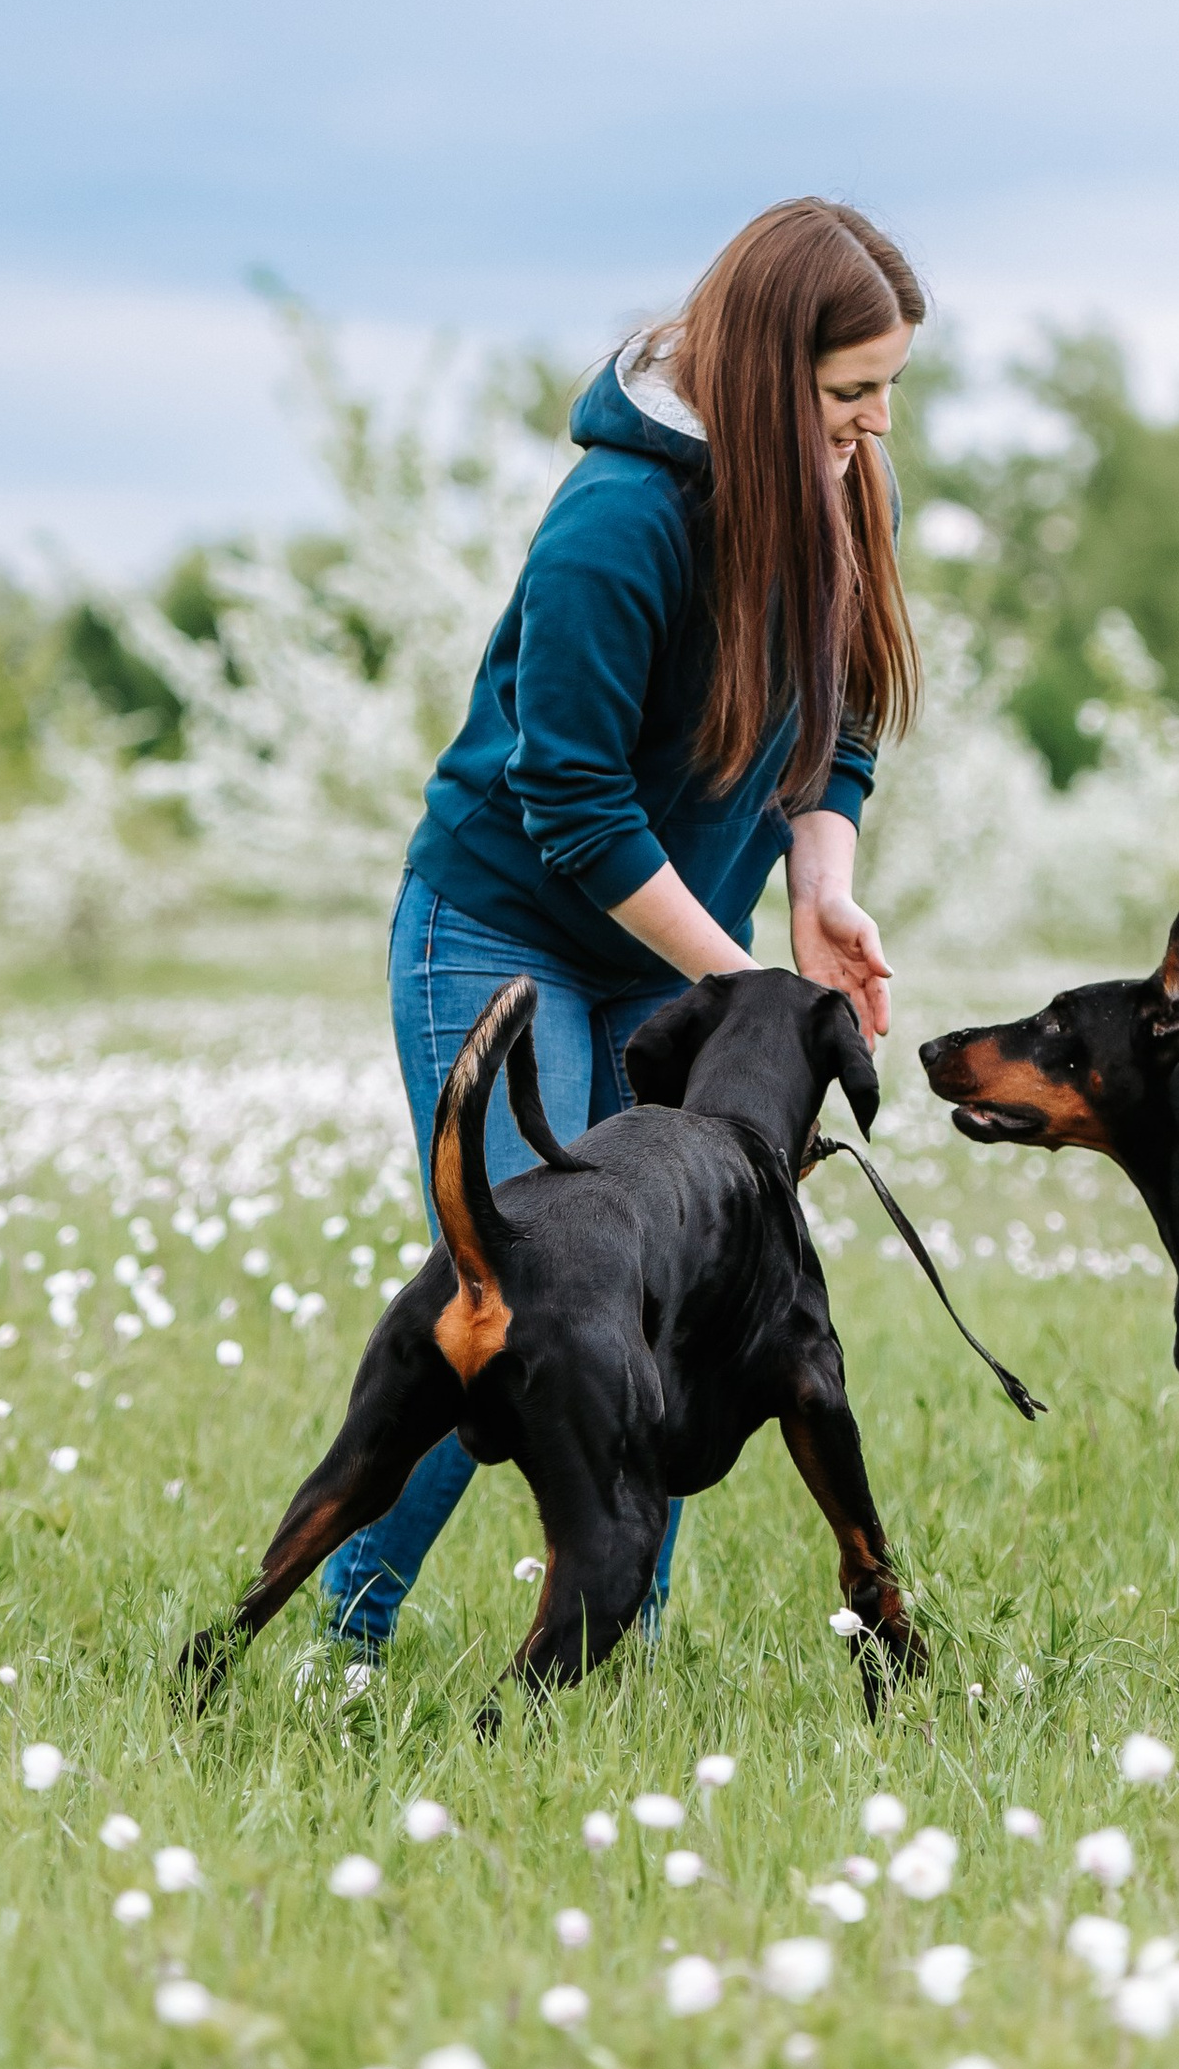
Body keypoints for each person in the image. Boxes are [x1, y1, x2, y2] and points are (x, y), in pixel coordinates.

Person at [320, 194, 923, 1656]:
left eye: (891, 390)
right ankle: (349, 1642)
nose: (877, 426)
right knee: (523, 1300)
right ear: (769, 377)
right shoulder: (619, 521)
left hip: (670, 958)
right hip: (503, 929)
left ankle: (611, 1658)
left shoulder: (840, 485)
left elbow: (840, 722)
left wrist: (819, 886)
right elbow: (574, 804)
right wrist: (748, 996)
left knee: (666, 1302)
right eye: (852, 393)